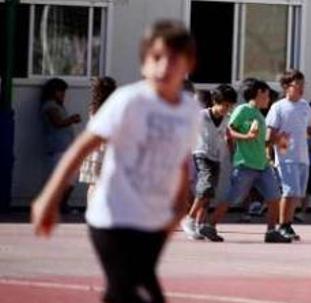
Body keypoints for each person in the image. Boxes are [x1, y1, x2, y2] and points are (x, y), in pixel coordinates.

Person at [32, 20, 202, 303]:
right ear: (143, 64)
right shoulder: (129, 101)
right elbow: (81, 148)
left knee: (125, 291)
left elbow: (181, 161)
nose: (163, 67)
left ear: (189, 64)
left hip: (153, 221)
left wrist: (179, 205)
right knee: (131, 291)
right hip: (113, 217)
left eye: (173, 59)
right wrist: (48, 199)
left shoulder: (190, 111)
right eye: (156, 58)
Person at [204, 78, 291, 244]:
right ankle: (210, 225)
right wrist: (245, 138)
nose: (268, 99)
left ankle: (271, 231)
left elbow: (260, 141)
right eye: (266, 94)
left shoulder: (259, 115)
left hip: (262, 165)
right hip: (246, 164)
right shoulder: (242, 110)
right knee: (232, 197)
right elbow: (229, 132)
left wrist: (277, 140)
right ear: (258, 93)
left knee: (274, 196)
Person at [180, 84, 237, 241]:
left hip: (216, 157)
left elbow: (228, 135)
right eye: (224, 105)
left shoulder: (227, 119)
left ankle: (200, 224)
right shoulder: (201, 115)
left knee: (210, 193)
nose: (227, 109)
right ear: (215, 101)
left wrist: (233, 152)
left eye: (230, 106)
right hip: (201, 153)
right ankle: (189, 219)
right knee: (206, 185)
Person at [266, 70, 311, 239]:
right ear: (287, 87)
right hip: (286, 157)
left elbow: (310, 127)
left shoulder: (305, 106)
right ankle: (282, 225)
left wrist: (306, 136)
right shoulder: (278, 107)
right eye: (297, 85)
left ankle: (288, 224)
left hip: (303, 156)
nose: (302, 88)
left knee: (297, 193)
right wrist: (276, 146)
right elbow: (270, 134)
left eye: (303, 84)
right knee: (289, 191)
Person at [40, 78, 82, 213]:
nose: (63, 94)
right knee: (62, 179)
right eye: (61, 91)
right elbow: (57, 123)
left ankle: (61, 205)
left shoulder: (58, 105)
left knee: (71, 179)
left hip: (66, 148)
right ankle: (56, 206)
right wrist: (72, 119)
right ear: (53, 91)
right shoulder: (49, 106)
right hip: (58, 148)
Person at [78, 76, 117, 204]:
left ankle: (91, 209)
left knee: (93, 183)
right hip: (106, 149)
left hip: (94, 149)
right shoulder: (112, 107)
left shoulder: (93, 107)